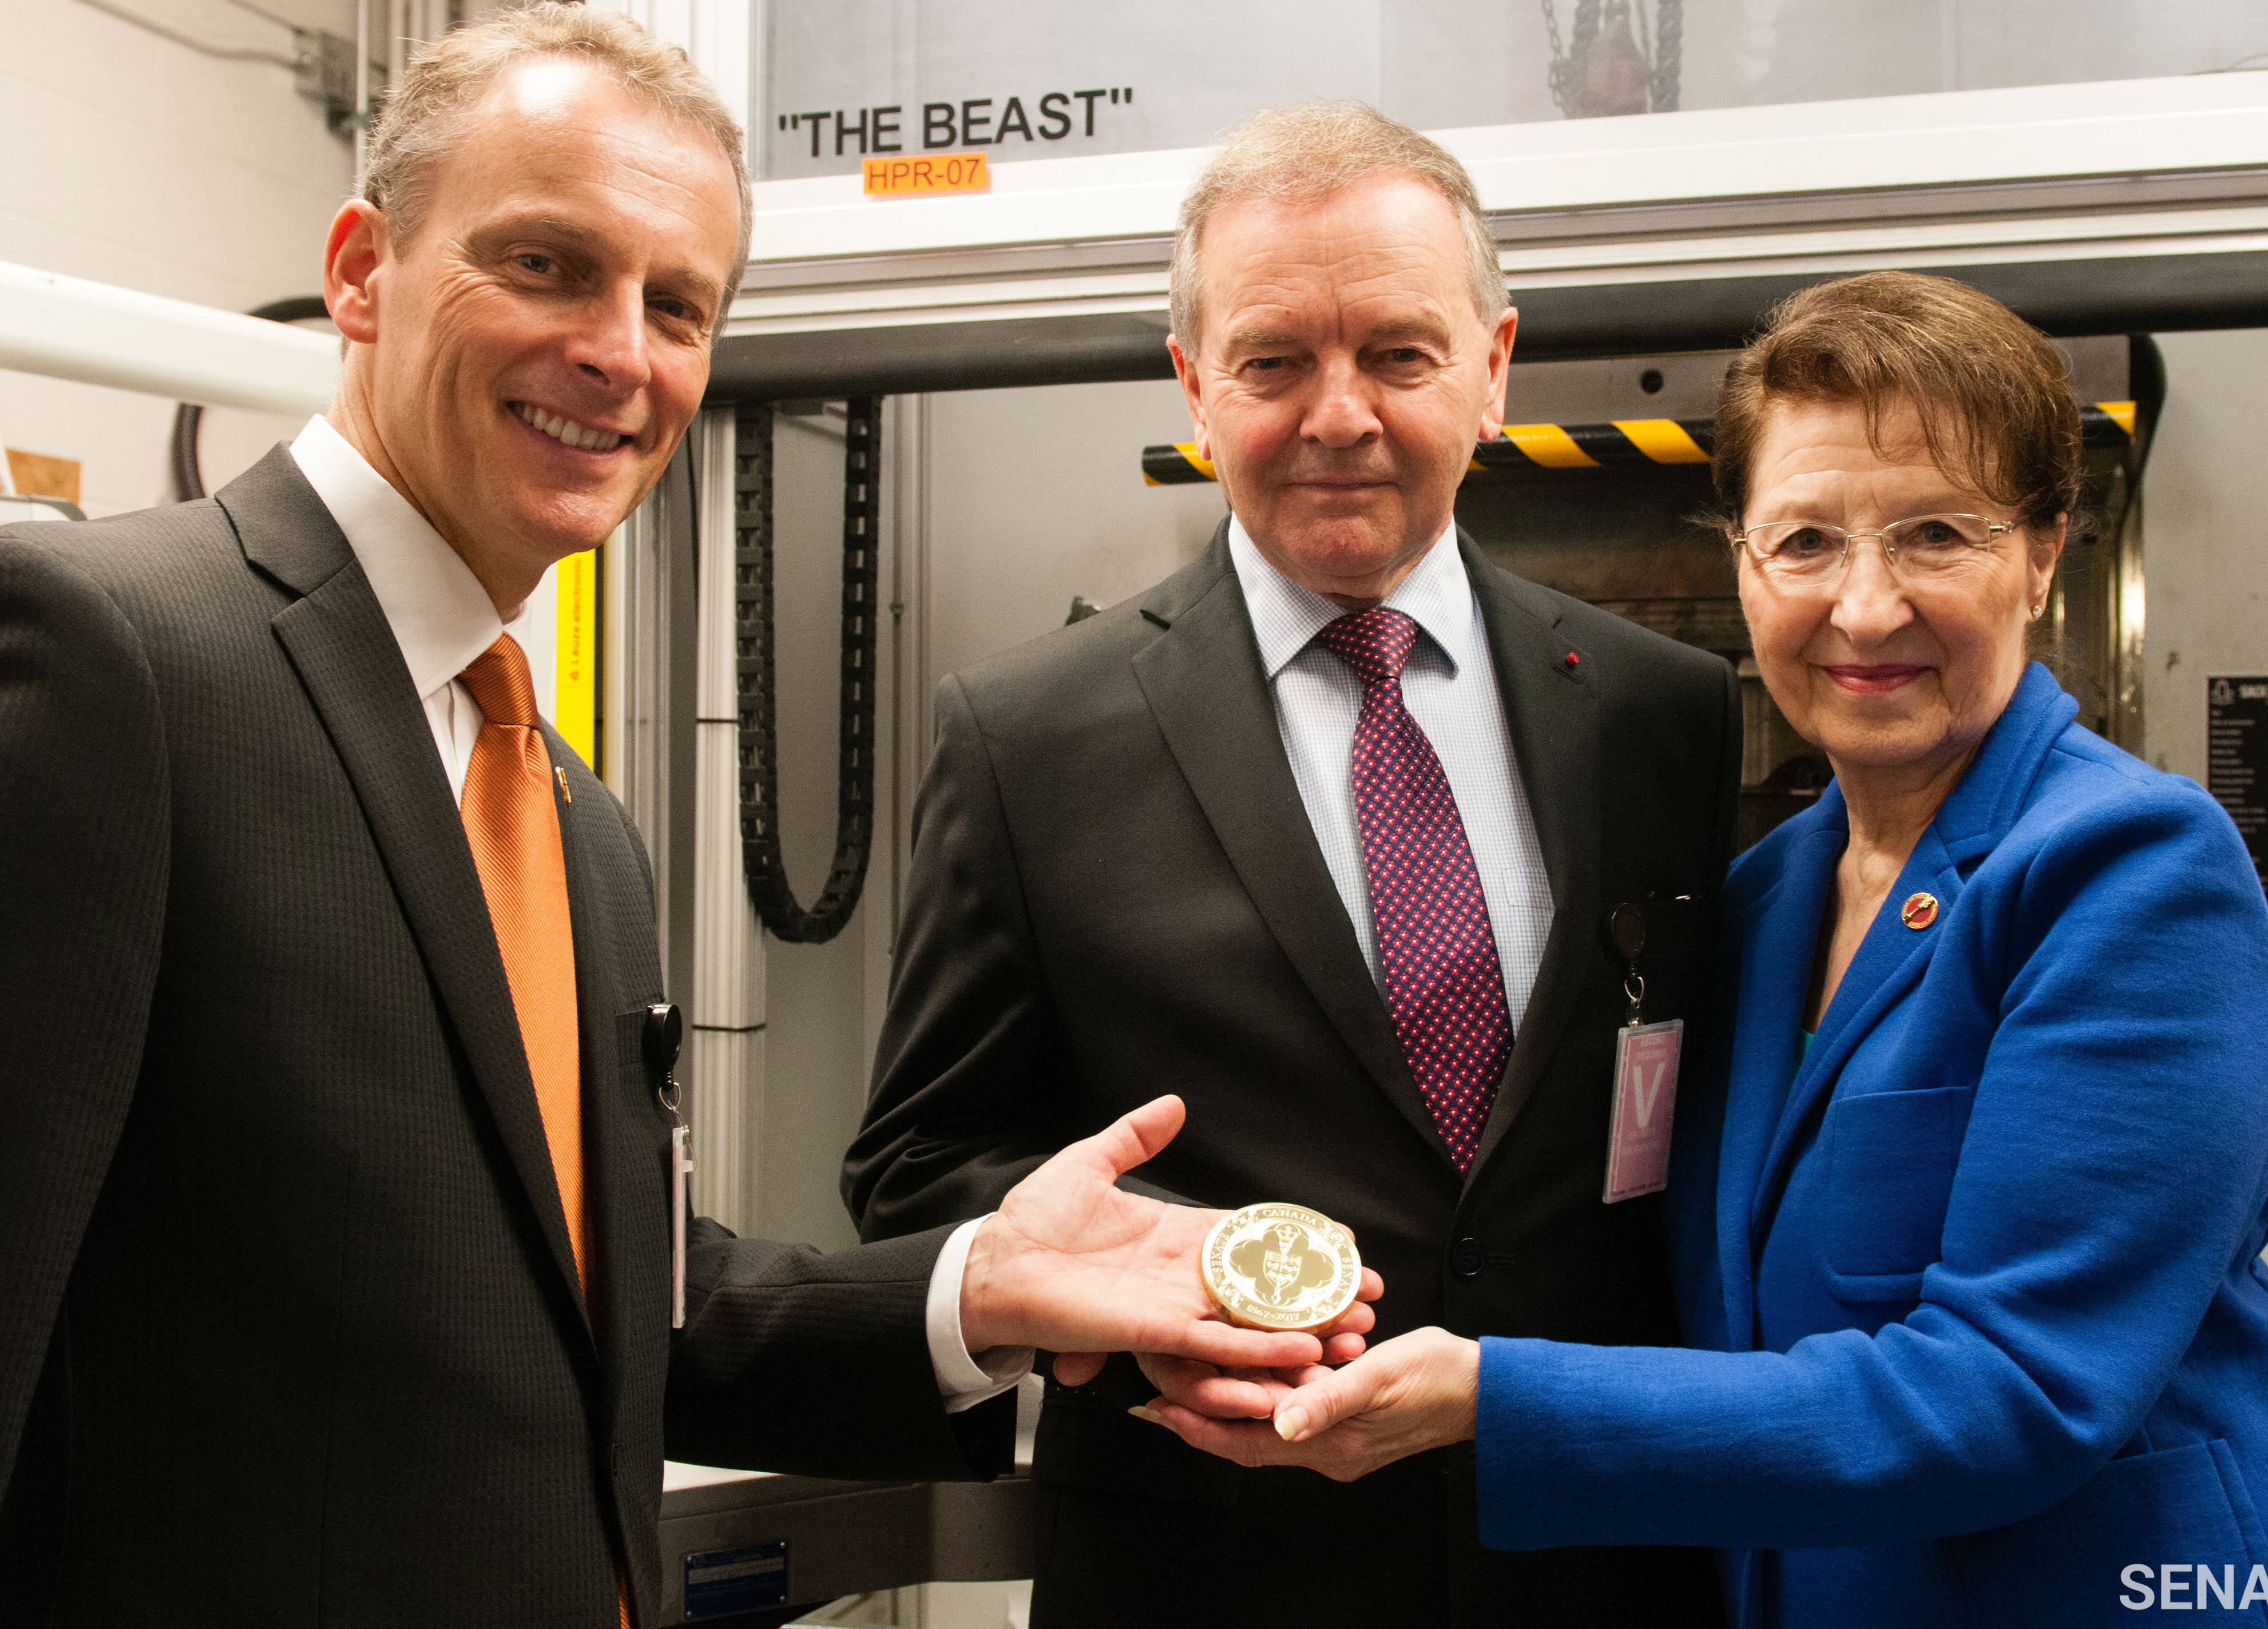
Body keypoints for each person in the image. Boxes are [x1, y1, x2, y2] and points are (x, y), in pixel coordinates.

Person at [0, 13, 1366, 1624]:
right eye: (546, 265)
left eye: (678, 307)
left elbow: (618, 1319)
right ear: (361, 271)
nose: (621, 354)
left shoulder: (575, 819)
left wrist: (977, 1289)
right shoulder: (117, 658)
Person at [1148, 271, 2268, 1627]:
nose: (1862, 608)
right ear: (1740, 559)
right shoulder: (1760, 893)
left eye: (1933, 534)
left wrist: (1489, 1397)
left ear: (2041, 550)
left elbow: (2012, 1391)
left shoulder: (2129, 871)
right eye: (1802, 542)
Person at [846, 101, 1737, 1627]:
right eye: (1273, 360)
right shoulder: (1027, 737)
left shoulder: (1661, 710)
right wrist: (1146, 1301)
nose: (1340, 415)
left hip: (1598, 1565)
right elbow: (914, 1172)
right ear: (1195, 384)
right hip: (1210, 1565)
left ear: (1492, 366)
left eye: (1398, 352)